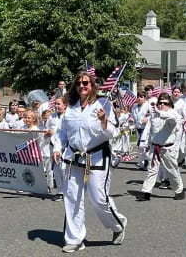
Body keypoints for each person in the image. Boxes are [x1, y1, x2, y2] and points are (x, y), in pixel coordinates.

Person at [52, 71, 126, 253]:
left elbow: (114, 133)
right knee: (72, 198)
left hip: (97, 157)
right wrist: (57, 147)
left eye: (86, 83)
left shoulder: (103, 104)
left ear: (92, 85)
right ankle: (75, 238)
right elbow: (62, 131)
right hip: (73, 157)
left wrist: (103, 121)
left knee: (99, 199)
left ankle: (118, 225)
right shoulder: (70, 107)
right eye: (79, 83)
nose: (82, 86)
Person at [135, 94, 185, 201]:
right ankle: (146, 192)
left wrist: (160, 113)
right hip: (155, 147)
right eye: (160, 103)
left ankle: (179, 190)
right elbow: (150, 130)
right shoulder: (154, 115)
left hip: (168, 148)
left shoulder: (173, 114)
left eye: (165, 103)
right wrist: (147, 144)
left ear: (170, 104)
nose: (162, 104)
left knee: (172, 171)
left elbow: (172, 120)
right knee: (151, 170)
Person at [46, 96, 67, 202]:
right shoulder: (52, 117)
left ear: (65, 105)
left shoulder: (68, 117)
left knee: (64, 169)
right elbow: (46, 128)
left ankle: (67, 192)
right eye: (56, 104)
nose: (56, 106)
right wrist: (48, 132)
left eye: (59, 104)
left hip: (64, 148)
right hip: (53, 146)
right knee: (56, 170)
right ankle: (60, 192)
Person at [131, 91, 149, 170]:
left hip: (146, 129)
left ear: (144, 98)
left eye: (141, 97)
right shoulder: (134, 107)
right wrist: (131, 119)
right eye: (138, 97)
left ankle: (147, 162)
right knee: (139, 147)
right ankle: (141, 163)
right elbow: (132, 116)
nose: (139, 98)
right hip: (137, 128)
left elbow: (153, 116)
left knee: (143, 146)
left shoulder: (148, 106)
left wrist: (148, 119)